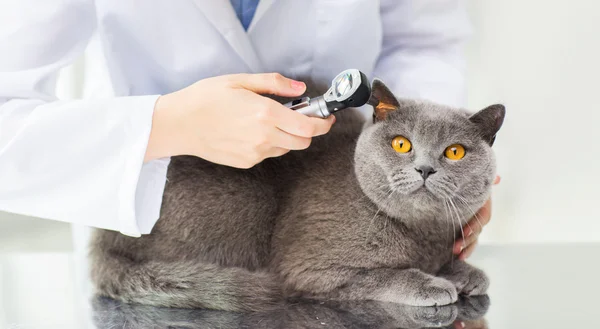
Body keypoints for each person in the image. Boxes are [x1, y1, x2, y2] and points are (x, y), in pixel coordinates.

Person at [0, 0, 492, 259]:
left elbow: (422, 41)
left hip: (345, 223)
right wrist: (166, 125)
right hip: (162, 234)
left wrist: (442, 158)